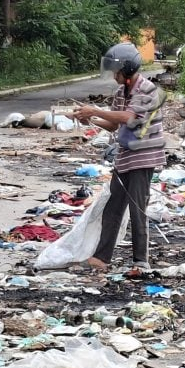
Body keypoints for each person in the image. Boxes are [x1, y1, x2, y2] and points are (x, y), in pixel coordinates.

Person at [72, 42, 165, 271]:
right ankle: (102, 258)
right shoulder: (120, 92)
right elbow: (113, 124)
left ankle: (140, 261)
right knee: (113, 207)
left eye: (117, 71)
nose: (114, 76)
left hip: (144, 157)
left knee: (137, 209)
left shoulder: (147, 90)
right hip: (125, 157)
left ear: (128, 69)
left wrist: (94, 110)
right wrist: (89, 119)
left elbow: (129, 117)